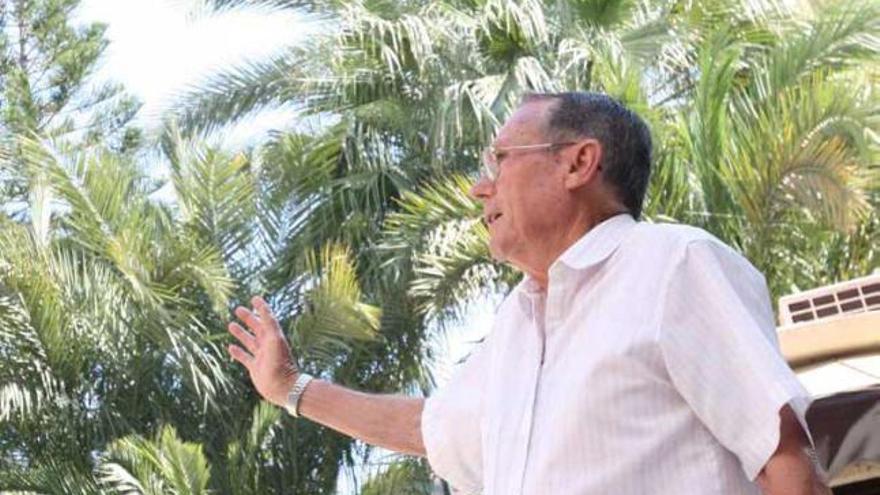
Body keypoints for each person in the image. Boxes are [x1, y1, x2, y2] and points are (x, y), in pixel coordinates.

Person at [227, 92, 831, 494]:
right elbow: (429, 429)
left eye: (499, 160)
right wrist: (293, 389)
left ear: (578, 164)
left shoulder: (672, 263)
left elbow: (783, 456)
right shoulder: (516, 326)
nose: (479, 189)